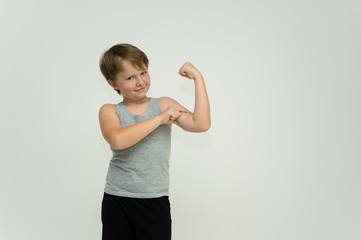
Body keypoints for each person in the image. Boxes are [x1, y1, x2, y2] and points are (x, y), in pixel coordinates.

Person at [98, 43, 211, 240]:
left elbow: (200, 124)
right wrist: (160, 119)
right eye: (130, 77)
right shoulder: (110, 111)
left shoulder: (163, 104)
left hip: (155, 200)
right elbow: (118, 139)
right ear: (113, 84)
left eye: (143, 72)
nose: (140, 82)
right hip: (117, 200)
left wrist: (198, 79)